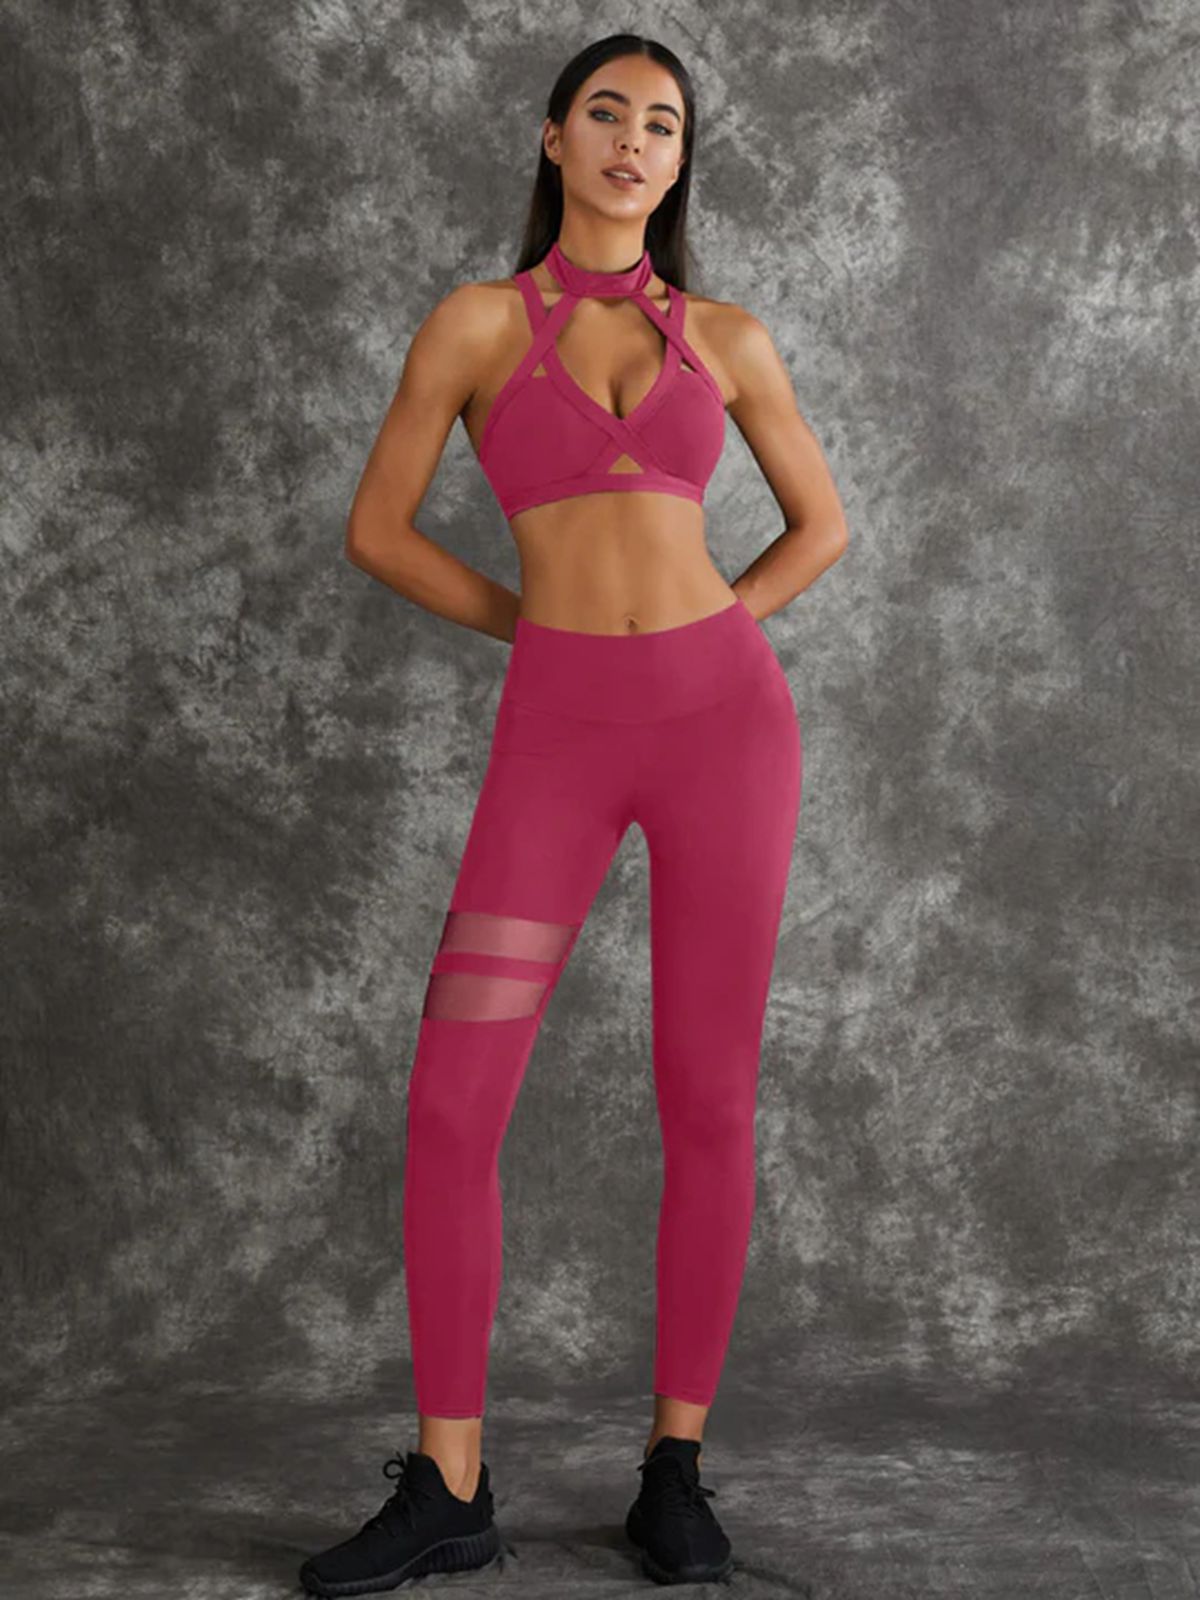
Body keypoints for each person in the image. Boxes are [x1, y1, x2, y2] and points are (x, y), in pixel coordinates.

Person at [299, 31, 848, 1597]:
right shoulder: (476, 323)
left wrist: (712, 633)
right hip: (559, 735)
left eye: (662, 124)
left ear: (679, 161)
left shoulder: (727, 337)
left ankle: (674, 1471)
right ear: (553, 139)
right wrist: (537, 630)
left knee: (707, 1096)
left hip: (727, 733)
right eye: (605, 112)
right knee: (453, 1104)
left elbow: (821, 525)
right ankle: (450, 1486)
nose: (632, 140)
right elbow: (377, 530)